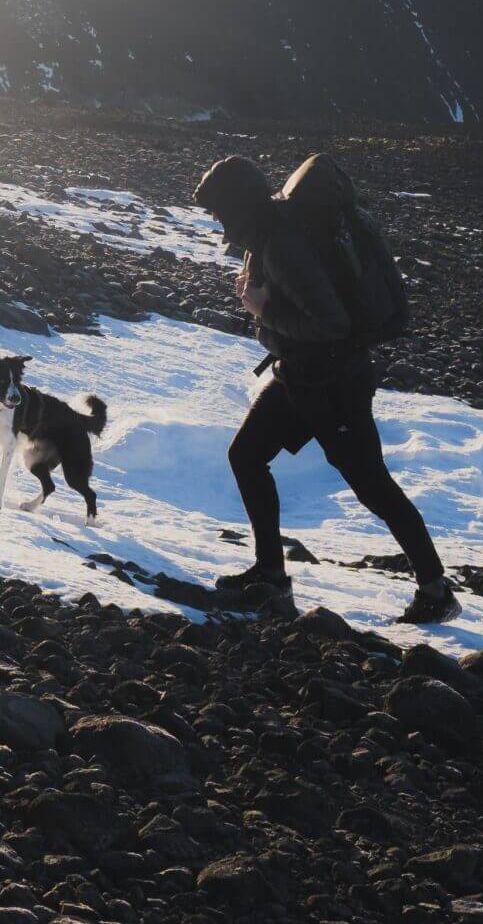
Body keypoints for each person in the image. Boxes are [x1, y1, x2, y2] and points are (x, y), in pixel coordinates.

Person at [194, 154, 461, 624]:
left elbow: (331, 323)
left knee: (372, 485)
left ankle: (436, 590)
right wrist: (263, 305)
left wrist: (263, 310)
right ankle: (271, 576)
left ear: (236, 205)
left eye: (218, 212)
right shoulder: (266, 233)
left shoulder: (280, 243)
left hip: (334, 384)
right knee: (247, 455)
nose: (218, 224)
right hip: (300, 375)